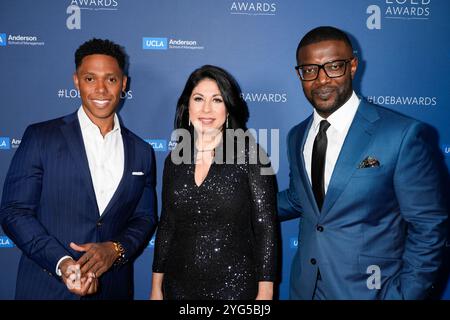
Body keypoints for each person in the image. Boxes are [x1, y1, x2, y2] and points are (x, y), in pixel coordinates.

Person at [278, 26, 448, 299]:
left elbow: (429, 227)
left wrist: (404, 296)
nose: (322, 80)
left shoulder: (402, 135)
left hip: (372, 292)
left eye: (333, 66)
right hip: (305, 291)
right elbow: (301, 199)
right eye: (310, 70)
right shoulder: (297, 136)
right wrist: (234, 203)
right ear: (299, 74)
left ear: (353, 66)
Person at [0, 38, 157, 299]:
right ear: (76, 81)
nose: (101, 90)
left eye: (111, 79)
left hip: (113, 291)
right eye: (90, 79)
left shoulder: (141, 151)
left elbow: (145, 217)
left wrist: (115, 249)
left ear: (124, 84)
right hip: (46, 289)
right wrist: (62, 263)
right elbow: (14, 211)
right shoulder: (41, 137)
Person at [150, 65, 278, 300]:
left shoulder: (251, 156)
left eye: (217, 100)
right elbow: (167, 224)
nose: (206, 109)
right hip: (177, 286)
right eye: (198, 99)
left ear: (228, 108)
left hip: (235, 289)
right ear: (187, 106)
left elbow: (265, 228)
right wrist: (156, 287)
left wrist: (266, 292)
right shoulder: (174, 160)